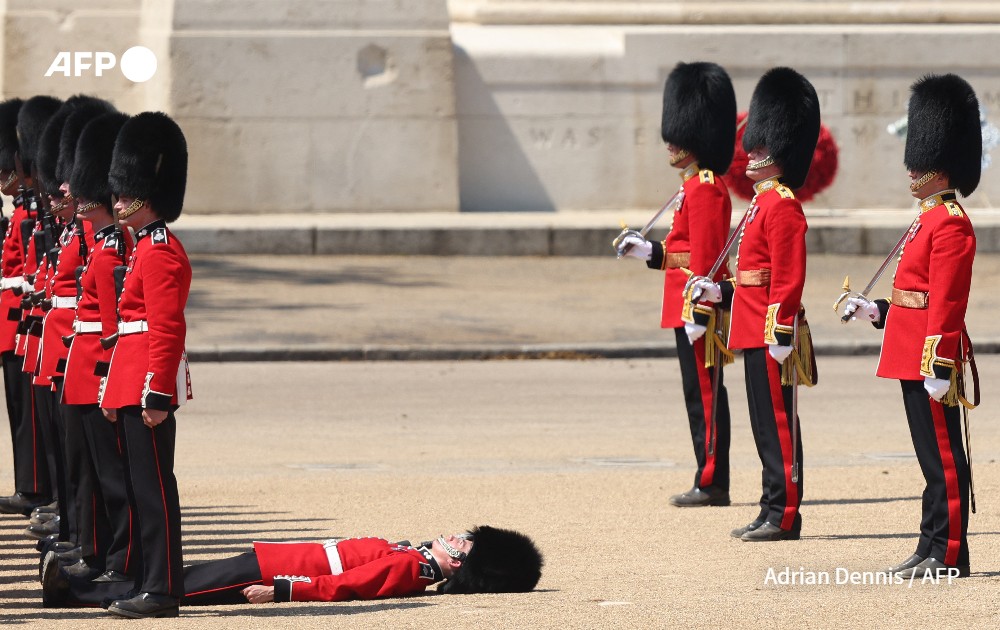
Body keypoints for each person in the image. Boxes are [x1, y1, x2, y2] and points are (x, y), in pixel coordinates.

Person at [842, 74, 979, 578]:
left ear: (940, 170)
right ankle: (930, 544)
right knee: (929, 459)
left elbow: (947, 300)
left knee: (944, 458)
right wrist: (876, 309)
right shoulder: (926, 218)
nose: (911, 170)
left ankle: (949, 553)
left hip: (929, 355)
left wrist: (940, 360)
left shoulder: (950, 222)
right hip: (908, 347)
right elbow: (913, 293)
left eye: (920, 163)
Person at [687, 67, 819, 541]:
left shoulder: (782, 205)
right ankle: (770, 506)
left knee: (779, 424)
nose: (751, 152)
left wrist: (781, 327)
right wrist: (716, 292)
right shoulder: (762, 204)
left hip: (771, 331)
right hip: (750, 325)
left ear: (778, 151)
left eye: (761, 147)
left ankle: (785, 513)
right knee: (763, 425)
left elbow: (788, 276)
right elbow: (750, 277)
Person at [616, 61, 736, 507]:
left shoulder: (705, 187)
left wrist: (699, 312)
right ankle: (708, 476)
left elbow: (706, 258)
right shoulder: (692, 186)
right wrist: (647, 251)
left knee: (704, 394)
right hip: (683, 301)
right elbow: (682, 251)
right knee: (697, 393)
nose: (671, 141)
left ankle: (711, 480)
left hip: (695, 308)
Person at [97, 111, 193, 618]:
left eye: (123, 192)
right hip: (131, 381)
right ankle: (153, 583)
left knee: (154, 493)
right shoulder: (142, 250)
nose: (116, 201)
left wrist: (156, 393)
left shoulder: (159, 252)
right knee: (142, 491)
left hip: (147, 386)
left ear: (146, 192)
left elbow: (164, 329)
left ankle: (161, 589)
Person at [41, 525, 544, 617]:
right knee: (183, 576)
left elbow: (347, 586)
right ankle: (81, 588)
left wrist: (283, 591)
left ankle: (75, 593)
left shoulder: (414, 567)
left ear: (461, 562)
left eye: (464, 542)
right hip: (274, 558)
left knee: (178, 586)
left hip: (275, 569)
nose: (455, 535)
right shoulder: (414, 556)